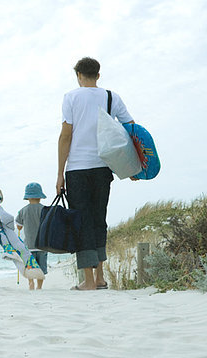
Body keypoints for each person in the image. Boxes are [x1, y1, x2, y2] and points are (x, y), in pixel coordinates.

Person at [56, 57, 135, 290]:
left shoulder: (70, 97)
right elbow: (131, 127)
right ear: (98, 75)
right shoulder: (111, 97)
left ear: (78, 75)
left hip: (77, 169)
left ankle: (88, 281)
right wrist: (132, 166)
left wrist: (59, 173)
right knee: (99, 220)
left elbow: (66, 136)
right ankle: (100, 278)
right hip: (103, 168)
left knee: (82, 222)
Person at [15, 182, 47, 290]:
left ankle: (31, 284)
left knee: (30, 267)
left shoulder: (23, 210)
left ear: (27, 197)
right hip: (42, 244)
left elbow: (19, 226)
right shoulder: (45, 209)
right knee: (41, 268)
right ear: (40, 196)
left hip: (29, 245)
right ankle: (39, 286)